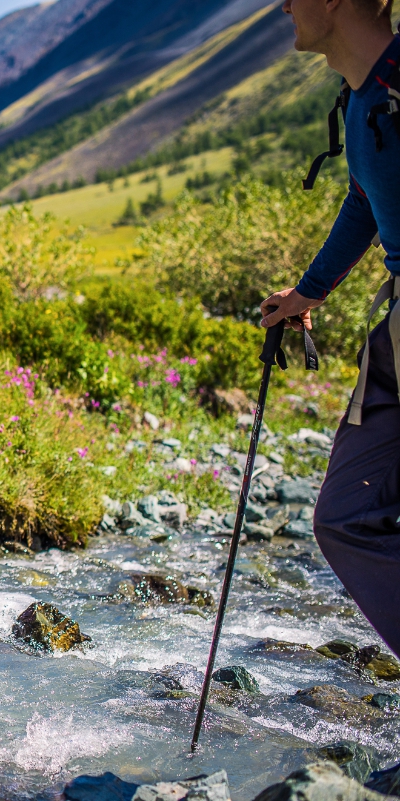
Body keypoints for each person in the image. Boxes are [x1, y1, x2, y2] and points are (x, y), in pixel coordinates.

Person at [261, 0, 400, 653]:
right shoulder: (363, 98)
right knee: (345, 516)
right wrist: (308, 292)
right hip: (398, 329)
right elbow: (364, 199)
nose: (284, 4)